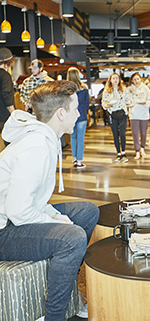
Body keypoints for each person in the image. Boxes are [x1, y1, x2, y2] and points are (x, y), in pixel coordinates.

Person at [0, 80, 100, 321]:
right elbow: (17, 210)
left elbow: (28, 198)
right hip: (4, 231)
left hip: (14, 218)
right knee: (73, 237)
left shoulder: (44, 138)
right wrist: (52, 220)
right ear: (61, 113)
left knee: (87, 211)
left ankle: (68, 284)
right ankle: (54, 316)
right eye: (75, 108)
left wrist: (51, 214)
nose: (79, 113)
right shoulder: (36, 146)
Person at [102, 73, 129, 163]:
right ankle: (118, 153)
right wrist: (107, 105)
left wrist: (127, 107)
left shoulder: (124, 89)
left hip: (122, 113)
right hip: (112, 114)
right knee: (115, 134)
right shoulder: (106, 91)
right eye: (113, 78)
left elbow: (128, 100)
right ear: (110, 80)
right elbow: (104, 104)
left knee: (122, 133)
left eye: (116, 78)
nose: (115, 80)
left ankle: (124, 152)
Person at [67, 67, 90, 169]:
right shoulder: (84, 89)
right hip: (81, 116)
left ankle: (75, 159)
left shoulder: (66, 90)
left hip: (71, 117)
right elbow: (86, 104)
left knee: (73, 138)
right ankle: (80, 162)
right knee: (80, 139)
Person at [128, 72, 150, 160]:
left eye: (137, 79)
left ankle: (142, 148)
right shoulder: (130, 89)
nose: (136, 81)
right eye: (134, 79)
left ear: (140, 79)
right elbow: (127, 101)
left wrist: (146, 103)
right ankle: (137, 151)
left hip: (144, 114)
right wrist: (130, 93)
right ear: (132, 81)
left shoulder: (145, 88)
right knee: (135, 134)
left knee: (143, 133)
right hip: (133, 114)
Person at [0, 48, 15, 151]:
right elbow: (6, 93)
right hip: (3, 115)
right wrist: (13, 112)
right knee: (10, 142)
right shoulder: (5, 76)